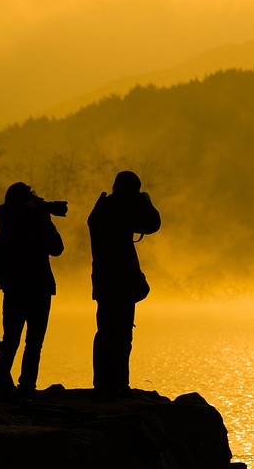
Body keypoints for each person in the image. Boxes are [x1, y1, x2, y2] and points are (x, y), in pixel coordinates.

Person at [88, 171, 161, 400]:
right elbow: (153, 223)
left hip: (105, 281)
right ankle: (118, 384)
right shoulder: (118, 210)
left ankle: (103, 384)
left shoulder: (103, 208)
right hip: (119, 282)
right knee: (120, 336)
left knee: (106, 334)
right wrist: (146, 202)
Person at [0, 182, 66, 400]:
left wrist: (41, 218)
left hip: (17, 288)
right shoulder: (16, 221)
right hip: (36, 287)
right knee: (31, 342)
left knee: (12, 339)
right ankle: (25, 387)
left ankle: (1, 385)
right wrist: (43, 221)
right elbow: (57, 248)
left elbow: (56, 249)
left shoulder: (7, 219)